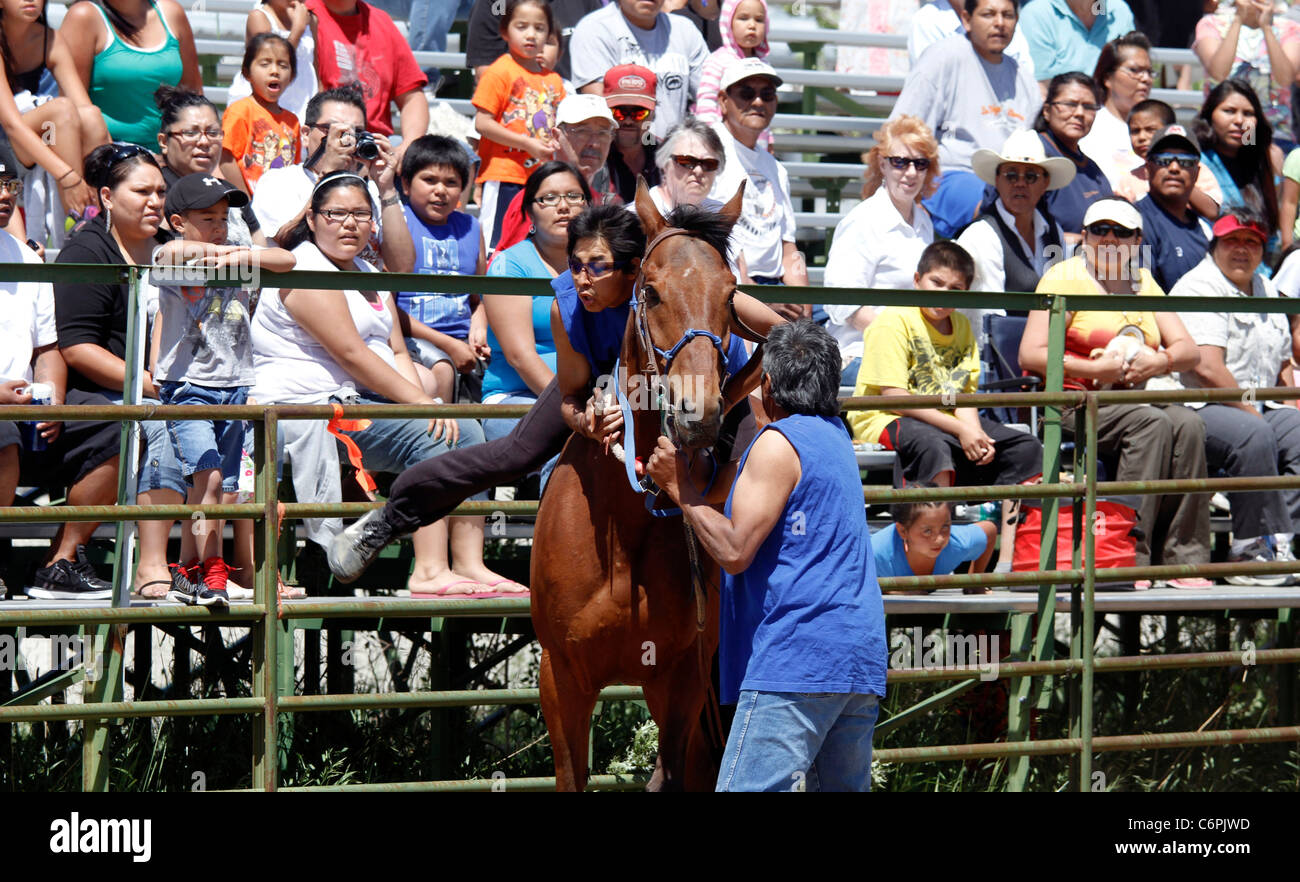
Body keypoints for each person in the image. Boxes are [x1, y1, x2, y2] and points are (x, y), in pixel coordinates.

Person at [327, 192, 783, 584]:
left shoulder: (672, 285)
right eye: (575, 264)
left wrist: (732, 394)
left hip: (689, 385)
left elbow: (781, 334)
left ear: (633, 271)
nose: (581, 279)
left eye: (597, 266)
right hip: (596, 382)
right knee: (512, 456)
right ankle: (388, 518)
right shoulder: (565, 306)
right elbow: (570, 394)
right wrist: (585, 422)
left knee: (746, 456)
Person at [644, 319, 887, 793]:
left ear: (769, 385)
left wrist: (678, 488)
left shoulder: (776, 444)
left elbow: (734, 551)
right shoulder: (834, 434)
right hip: (856, 658)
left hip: (799, 656)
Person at [252, 171, 520, 597]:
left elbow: (397, 348)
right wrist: (419, 404)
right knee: (432, 436)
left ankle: (469, 563)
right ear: (313, 217)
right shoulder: (304, 268)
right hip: (302, 409)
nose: (349, 223)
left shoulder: (368, 271)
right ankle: (429, 571)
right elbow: (352, 355)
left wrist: (424, 398)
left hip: (355, 403)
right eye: (336, 213)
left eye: (360, 214)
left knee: (470, 431)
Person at [1019, 197, 1212, 583]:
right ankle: (1128, 555)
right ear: (1085, 237)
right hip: (1073, 403)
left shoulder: (1143, 281)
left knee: (1188, 424)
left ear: (1137, 239)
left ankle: (1183, 558)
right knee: (1152, 422)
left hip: (1130, 399)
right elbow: (1031, 353)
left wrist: (1161, 362)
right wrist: (1095, 367)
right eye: (1100, 230)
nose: (1110, 239)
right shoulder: (1064, 277)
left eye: (1121, 232)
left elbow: (1189, 350)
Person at [151, 174, 296, 605]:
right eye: (206, 217)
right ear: (178, 220)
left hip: (234, 386)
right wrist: (220, 253)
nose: (218, 225)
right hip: (188, 386)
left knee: (212, 488)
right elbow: (168, 252)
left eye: (223, 217)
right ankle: (213, 570)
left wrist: (238, 252)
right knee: (209, 478)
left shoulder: (239, 257)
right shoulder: (173, 259)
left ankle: (187, 572)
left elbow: (286, 260)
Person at [852, 241, 1042, 563]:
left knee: (1025, 446)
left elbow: (963, 392)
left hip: (944, 420)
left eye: (955, 288)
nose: (943, 293)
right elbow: (895, 398)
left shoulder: (963, 327)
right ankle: (928, 555)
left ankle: (1009, 562)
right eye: (936, 283)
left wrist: (974, 434)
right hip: (886, 417)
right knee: (934, 445)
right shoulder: (892, 321)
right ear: (917, 280)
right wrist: (961, 429)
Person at [54, 142, 187, 598]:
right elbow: (76, 347)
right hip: (93, 393)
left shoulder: (172, 248)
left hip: (164, 387)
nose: (155, 201)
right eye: (142, 191)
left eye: (161, 192)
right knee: (137, 424)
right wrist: (149, 385)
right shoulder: (87, 251)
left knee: (235, 424)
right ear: (107, 197)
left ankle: (207, 564)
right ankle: (62, 559)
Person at [0, 160, 119, 600]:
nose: (5, 195)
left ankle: (61, 563)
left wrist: (52, 402)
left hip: (27, 411)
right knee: (2, 430)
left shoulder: (24, 254)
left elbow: (48, 349)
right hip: (3, 420)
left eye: (9, 184)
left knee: (118, 427)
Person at [1170, 207, 1300, 585]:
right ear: (1215, 246)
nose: (1242, 249)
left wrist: (1287, 405)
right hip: (1197, 407)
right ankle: (1247, 550)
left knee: (1296, 429)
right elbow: (1207, 368)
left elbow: (1281, 366)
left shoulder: (1264, 286)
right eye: (1232, 240)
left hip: (1253, 405)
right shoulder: (1199, 286)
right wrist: (1251, 410)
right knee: (1253, 431)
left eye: (1252, 241)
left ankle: (1279, 541)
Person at [890, 0, 1040, 238]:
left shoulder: (1023, 78)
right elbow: (902, 130)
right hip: (951, 176)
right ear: (967, 20)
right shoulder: (942, 58)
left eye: (1008, 15)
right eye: (989, 14)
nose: (999, 23)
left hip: (1011, 177)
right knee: (999, 201)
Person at [480, 161, 585, 465]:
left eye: (574, 197)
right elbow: (520, 357)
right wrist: (573, 407)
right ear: (530, 212)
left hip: (587, 397)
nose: (563, 207)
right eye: (549, 198)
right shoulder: (510, 265)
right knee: (569, 450)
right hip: (517, 397)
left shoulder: (599, 265)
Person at [823, 115, 938, 385]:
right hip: (859, 353)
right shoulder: (862, 221)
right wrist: (898, 341)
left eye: (920, 164)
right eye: (900, 162)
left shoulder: (924, 222)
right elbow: (841, 303)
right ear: (883, 164)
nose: (911, 172)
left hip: (909, 353)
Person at [251, 85, 414, 272]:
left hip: (364, 297)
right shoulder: (279, 182)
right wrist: (328, 176)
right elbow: (275, 250)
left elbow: (403, 268)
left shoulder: (374, 190)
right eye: (332, 130)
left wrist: (387, 188)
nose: (346, 140)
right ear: (305, 135)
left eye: (356, 132)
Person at [394, 135, 491, 403]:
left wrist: (478, 329)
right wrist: (448, 344)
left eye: (451, 183)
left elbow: (477, 298)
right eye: (429, 180)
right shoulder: (397, 223)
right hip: (410, 339)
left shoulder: (472, 228)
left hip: (461, 341)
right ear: (405, 183)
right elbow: (386, 308)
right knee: (442, 370)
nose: (441, 190)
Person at [0, 0, 108, 222]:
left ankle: (101, 211)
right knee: (61, 110)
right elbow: (11, 125)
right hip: (7, 143)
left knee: (91, 116)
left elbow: (84, 108)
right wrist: (69, 177)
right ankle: (78, 222)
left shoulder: (50, 38)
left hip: (31, 141)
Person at [472, 0, 565, 250]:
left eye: (539, 28)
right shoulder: (499, 71)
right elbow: (482, 122)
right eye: (521, 26)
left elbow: (562, 125)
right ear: (504, 31)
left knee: (533, 245)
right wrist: (526, 143)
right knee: (496, 243)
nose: (531, 34)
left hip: (542, 178)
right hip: (505, 174)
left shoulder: (553, 80)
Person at [708, 58, 805, 293]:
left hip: (772, 287)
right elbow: (711, 237)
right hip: (727, 286)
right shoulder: (706, 153)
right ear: (723, 101)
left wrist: (803, 299)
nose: (758, 101)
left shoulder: (776, 168)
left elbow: (788, 246)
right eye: (747, 93)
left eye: (767, 94)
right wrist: (754, 294)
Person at [59, 0, 202, 148]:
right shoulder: (83, 16)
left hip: (170, 154)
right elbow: (75, 108)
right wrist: (122, 160)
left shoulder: (172, 12)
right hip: (109, 154)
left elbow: (194, 96)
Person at [489, 93, 617, 256]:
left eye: (603, 133)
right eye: (582, 131)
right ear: (556, 137)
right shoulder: (535, 199)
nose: (594, 143)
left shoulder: (602, 202)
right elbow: (510, 268)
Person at [569, 0, 710, 142]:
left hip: (674, 155)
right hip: (617, 155)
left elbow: (711, 97)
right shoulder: (594, 29)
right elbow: (599, 110)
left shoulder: (685, 30)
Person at [955, 129, 1071, 297]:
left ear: (1045, 183)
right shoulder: (981, 236)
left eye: (1031, 176)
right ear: (997, 180)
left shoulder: (1053, 231)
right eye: (1011, 175)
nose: (1020, 183)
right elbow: (990, 314)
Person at [304, 0, 429, 156]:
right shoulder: (305, 16)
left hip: (375, 146)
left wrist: (407, 147)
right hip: (324, 142)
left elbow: (412, 97)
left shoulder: (382, 21)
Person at [155, 86, 264, 246]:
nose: (204, 142)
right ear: (164, 141)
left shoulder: (228, 191)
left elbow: (260, 244)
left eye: (213, 133)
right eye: (191, 133)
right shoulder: (154, 193)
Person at [1194, 0, 1300, 153]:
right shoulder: (1211, 24)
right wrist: (1238, 20)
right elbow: (1218, 73)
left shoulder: (1289, 28)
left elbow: (1285, 78)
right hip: (1222, 133)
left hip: (1274, 135)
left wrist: (1266, 27)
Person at [1135, 124, 1215, 291]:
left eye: (1186, 162)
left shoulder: (1203, 228)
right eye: (1163, 160)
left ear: (1197, 173)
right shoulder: (1135, 223)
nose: (1174, 168)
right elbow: (1139, 297)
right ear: (1148, 169)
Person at [1195, 78, 1279, 237]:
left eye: (1248, 114)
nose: (1239, 121)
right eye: (1229, 111)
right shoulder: (1194, 161)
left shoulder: (1260, 162)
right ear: (1209, 115)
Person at [220, 33, 301, 196]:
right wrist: (246, 201)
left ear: (292, 76)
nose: (275, 71)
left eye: (283, 65)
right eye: (265, 64)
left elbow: (293, 169)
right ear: (247, 73)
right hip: (249, 206)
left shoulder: (293, 122)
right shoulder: (240, 111)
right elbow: (226, 160)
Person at [1034, 72, 1112, 237]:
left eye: (1089, 106)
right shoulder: (1034, 156)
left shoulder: (1092, 169)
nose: (1080, 113)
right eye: (1070, 104)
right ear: (1047, 110)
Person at [692, 0, 773, 152]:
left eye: (759, 20)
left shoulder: (765, 66)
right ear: (728, 22)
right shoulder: (718, 61)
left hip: (756, 148)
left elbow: (767, 107)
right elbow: (706, 104)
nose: (752, 25)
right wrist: (710, 143)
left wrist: (769, 138)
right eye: (743, 18)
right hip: (723, 148)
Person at [871, 496, 997, 593]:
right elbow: (852, 582)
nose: (940, 539)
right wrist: (893, 590)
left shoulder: (957, 543)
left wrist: (975, 581)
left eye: (945, 527)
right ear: (903, 531)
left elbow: (989, 530)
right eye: (927, 531)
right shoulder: (873, 553)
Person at [1078, 32, 1155, 190]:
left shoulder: (1161, 126)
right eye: (1134, 70)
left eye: (1149, 72)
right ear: (1107, 78)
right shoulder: (1088, 126)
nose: (1146, 79)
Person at [226, 0, 317, 125]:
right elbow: (275, 58)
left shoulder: (309, 19)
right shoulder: (259, 17)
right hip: (268, 100)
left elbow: (315, 64)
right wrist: (297, 29)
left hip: (303, 98)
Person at [466, 0, 601, 83]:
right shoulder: (496, 3)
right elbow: (485, 73)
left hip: (573, 108)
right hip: (513, 110)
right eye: (521, 27)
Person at [1018, 0, 1136, 87]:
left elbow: (1134, 75)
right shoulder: (1038, 14)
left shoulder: (1118, 12)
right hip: (1062, 114)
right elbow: (1040, 87)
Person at [908, 0, 1035, 76]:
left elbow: (1025, 71)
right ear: (967, 20)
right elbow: (935, 84)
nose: (999, 22)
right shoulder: (927, 20)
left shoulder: (1002, 16)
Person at [644, 115, 725, 215]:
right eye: (687, 161)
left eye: (709, 164)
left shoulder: (723, 217)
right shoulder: (636, 219)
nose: (698, 171)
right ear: (665, 165)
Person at [604, 64, 661, 203]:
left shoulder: (667, 156)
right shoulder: (592, 158)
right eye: (618, 112)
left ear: (652, 115)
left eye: (639, 112)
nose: (628, 121)